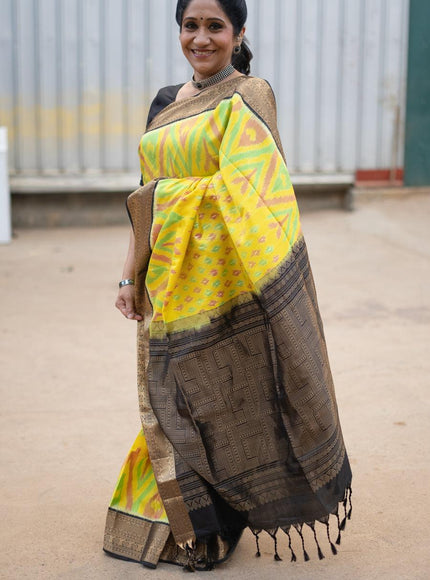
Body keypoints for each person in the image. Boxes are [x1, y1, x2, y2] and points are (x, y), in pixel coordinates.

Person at [103, 0, 352, 571]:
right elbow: (146, 198)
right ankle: (178, 517)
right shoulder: (165, 103)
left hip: (227, 286)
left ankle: (215, 524)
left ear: (238, 33)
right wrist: (129, 275)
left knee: (223, 396)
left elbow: (260, 195)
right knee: (173, 397)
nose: (202, 38)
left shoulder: (249, 95)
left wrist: (172, 200)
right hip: (170, 280)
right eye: (191, 26)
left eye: (215, 26)